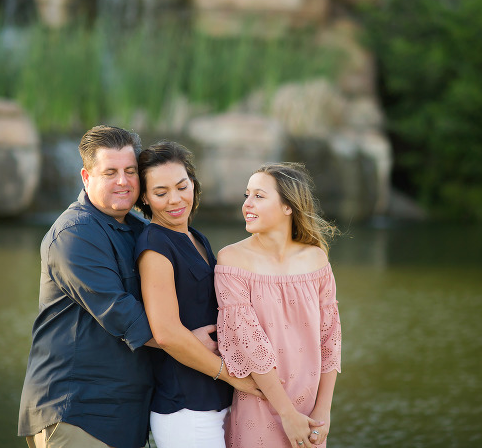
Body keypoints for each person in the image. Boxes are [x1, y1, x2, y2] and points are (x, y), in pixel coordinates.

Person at [18, 126, 215, 448]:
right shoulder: (74, 235)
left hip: (130, 414)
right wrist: (191, 346)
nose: (123, 181)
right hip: (78, 412)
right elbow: (123, 315)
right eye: (110, 172)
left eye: (130, 171)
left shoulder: (144, 230)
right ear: (86, 176)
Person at [134, 141, 263, 448]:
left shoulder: (195, 236)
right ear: (145, 197)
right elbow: (165, 333)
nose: (175, 200)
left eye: (182, 186)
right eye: (161, 192)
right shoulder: (155, 245)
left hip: (217, 400)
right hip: (185, 409)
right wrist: (233, 377)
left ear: (193, 182)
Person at [215, 162, 342, 448]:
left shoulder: (316, 259)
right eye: (246, 195)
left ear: (289, 207)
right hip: (260, 403)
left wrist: (324, 410)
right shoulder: (232, 260)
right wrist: (286, 413)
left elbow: (330, 339)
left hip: (310, 411)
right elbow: (249, 345)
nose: (247, 204)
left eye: (259, 196)